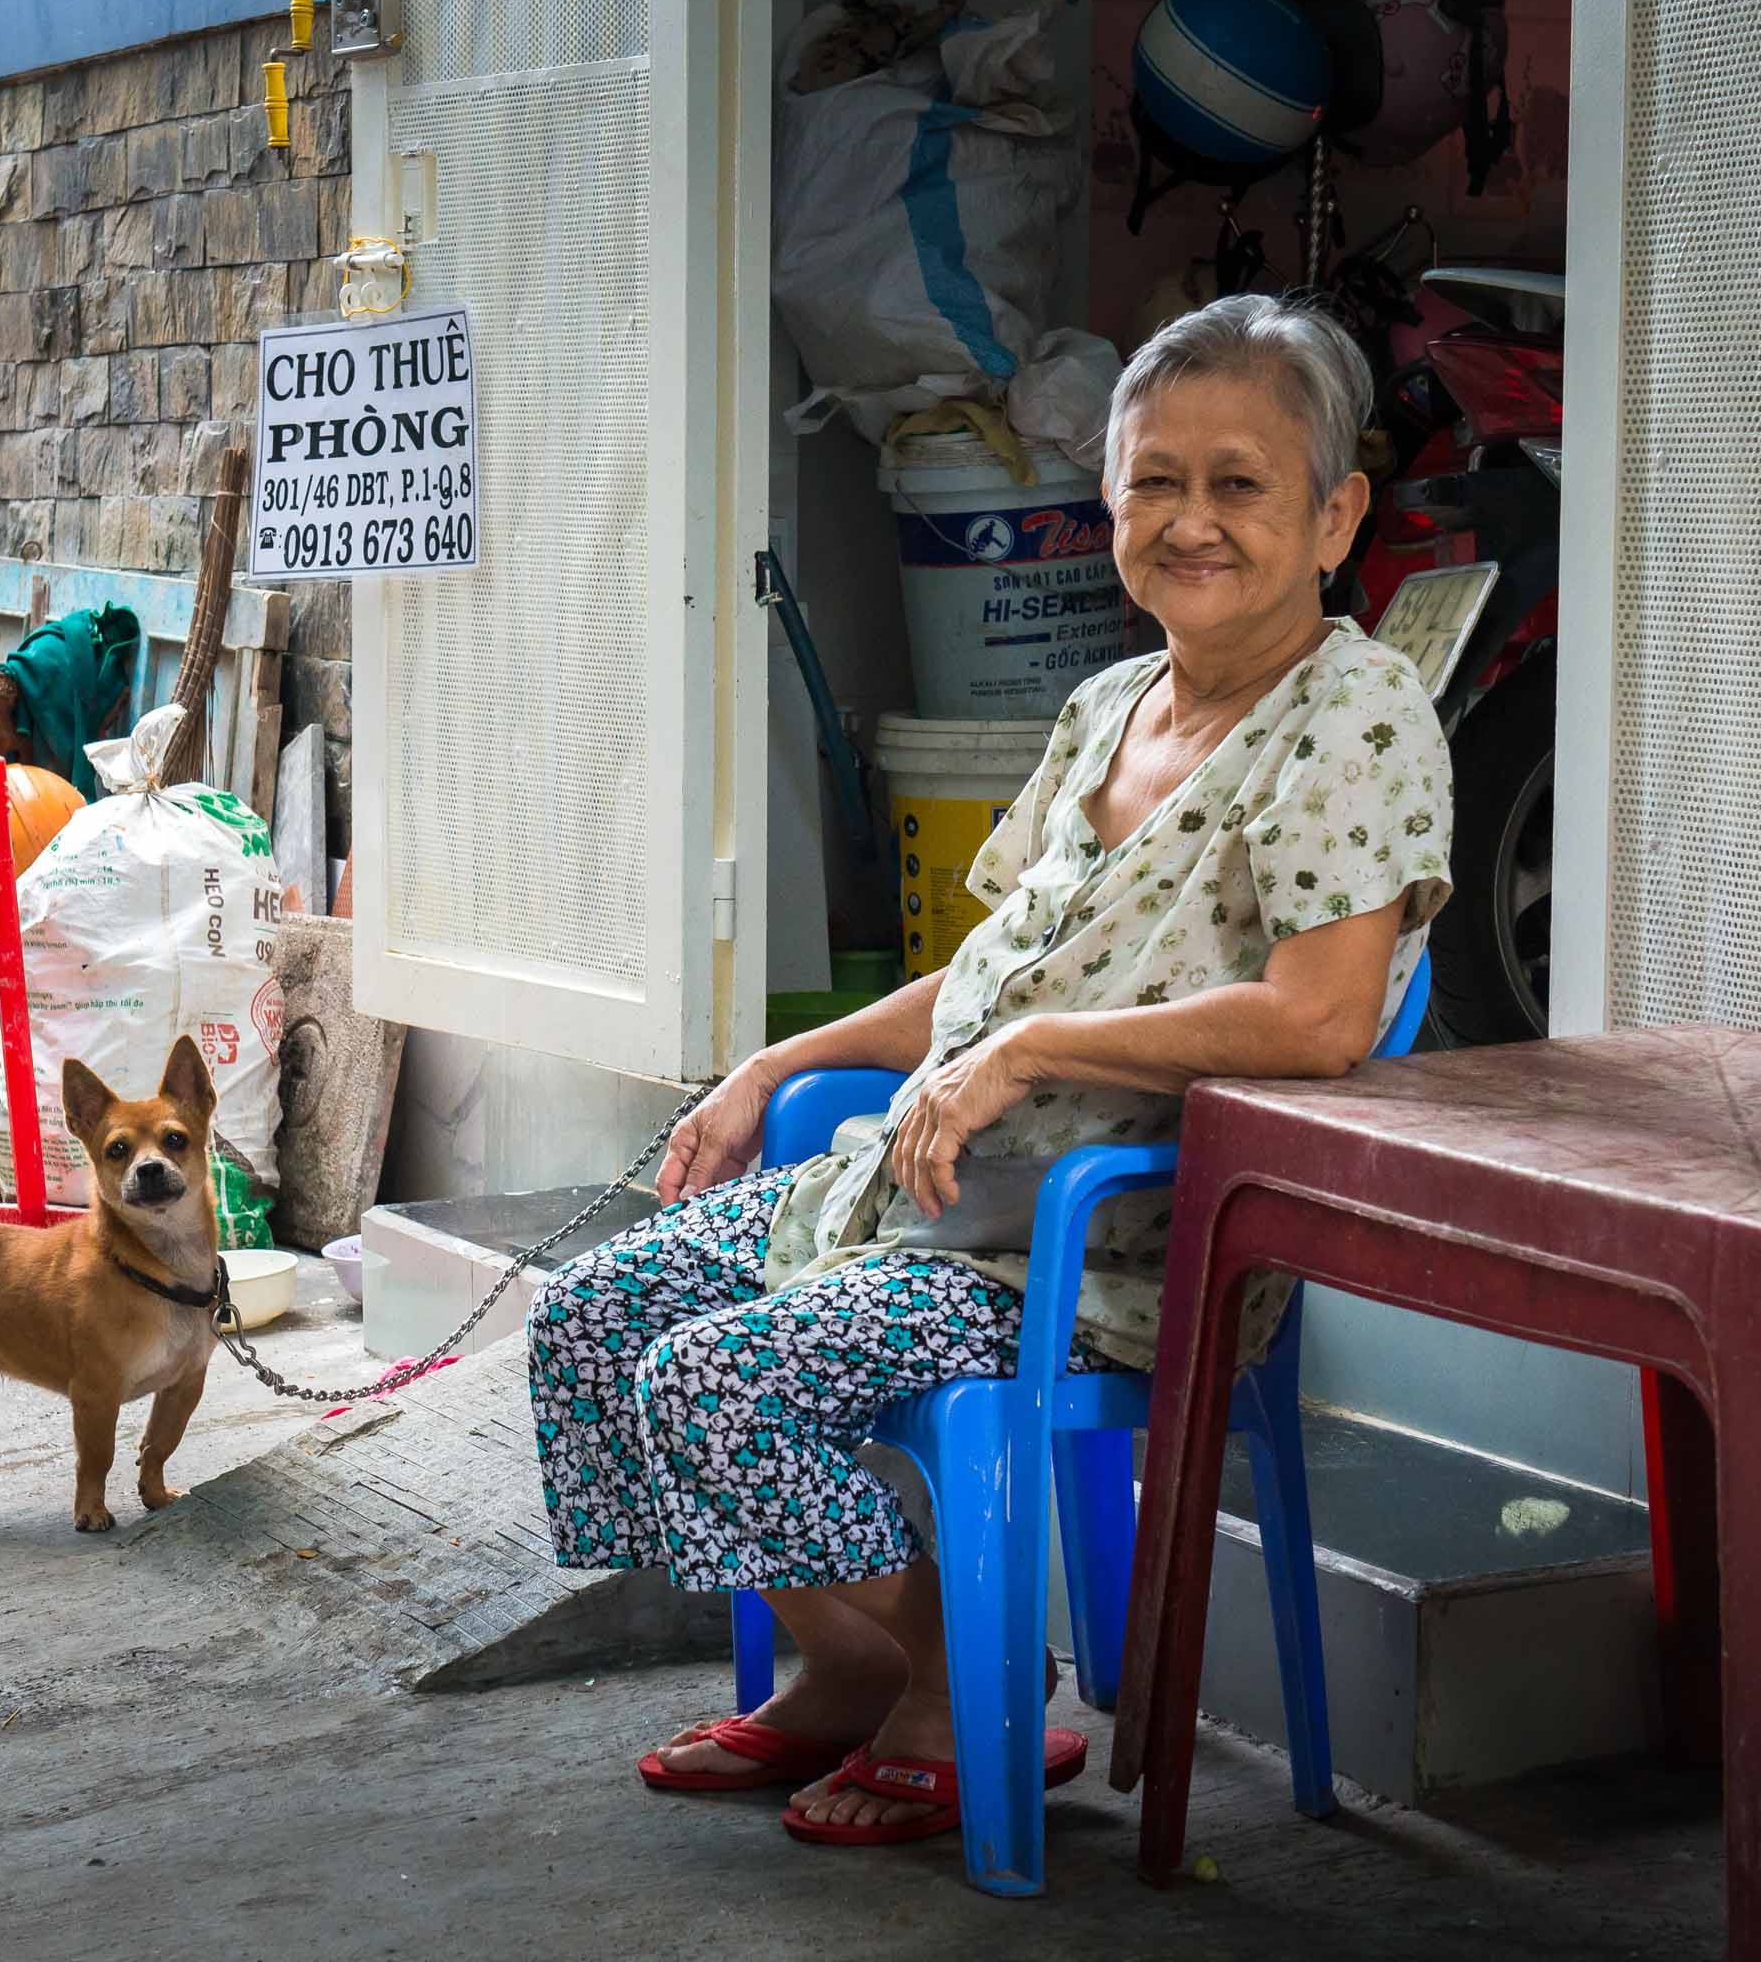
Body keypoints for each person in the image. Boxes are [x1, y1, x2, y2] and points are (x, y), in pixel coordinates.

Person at [527, 295, 1452, 1849]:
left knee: (709, 1383)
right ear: (1109, 505)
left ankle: (972, 1687)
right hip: (923, 1194)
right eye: (1155, 481)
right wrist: (776, 1062)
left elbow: (1322, 1019)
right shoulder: (1105, 706)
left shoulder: (1352, 712)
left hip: (1103, 1247)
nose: (1191, 520)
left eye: (1241, 483)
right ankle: (849, 1665)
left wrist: (1030, 1055)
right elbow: (984, 979)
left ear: (1335, 514)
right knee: (589, 1322)